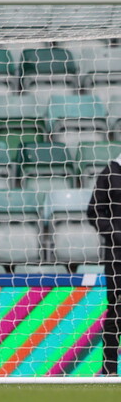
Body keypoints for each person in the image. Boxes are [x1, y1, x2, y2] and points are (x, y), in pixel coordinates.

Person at [86, 155, 121, 376]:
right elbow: (94, 211)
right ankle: (109, 370)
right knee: (117, 310)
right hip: (118, 254)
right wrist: (115, 234)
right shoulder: (111, 172)